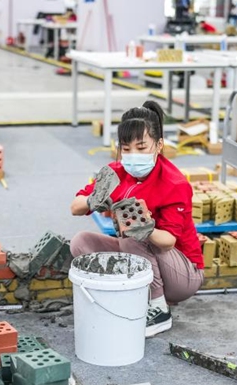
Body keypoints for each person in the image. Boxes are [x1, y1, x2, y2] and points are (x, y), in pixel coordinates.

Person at [69, 101, 205, 337]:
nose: (133, 155)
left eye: (142, 148)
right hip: (144, 257)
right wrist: (93, 199)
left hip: (183, 274)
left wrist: (145, 227)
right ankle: (127, 295)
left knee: (131, 233)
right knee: (81, 242)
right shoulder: (116, 173)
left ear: (159, 144)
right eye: (126, 148)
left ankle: (159, 308)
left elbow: (168, 242)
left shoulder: (174, 184)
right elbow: (75, 207)